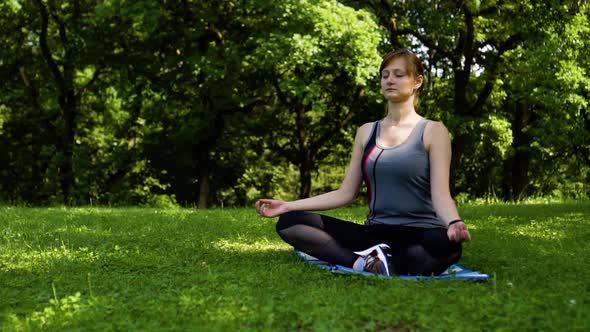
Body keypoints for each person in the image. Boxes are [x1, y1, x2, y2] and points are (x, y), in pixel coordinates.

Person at [255, 48, 471, 276]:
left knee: (446, 247)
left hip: (421, 234)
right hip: (375, 234)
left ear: (417, 81)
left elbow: (441, 195)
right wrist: (289, 205)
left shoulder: (433, 131)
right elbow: (345, 193)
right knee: (290, 222)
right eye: (385, 74)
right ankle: (363, 263)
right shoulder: (367, 132)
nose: (389, 80)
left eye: (399, 74)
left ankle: (383, 261)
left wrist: (453, 222)